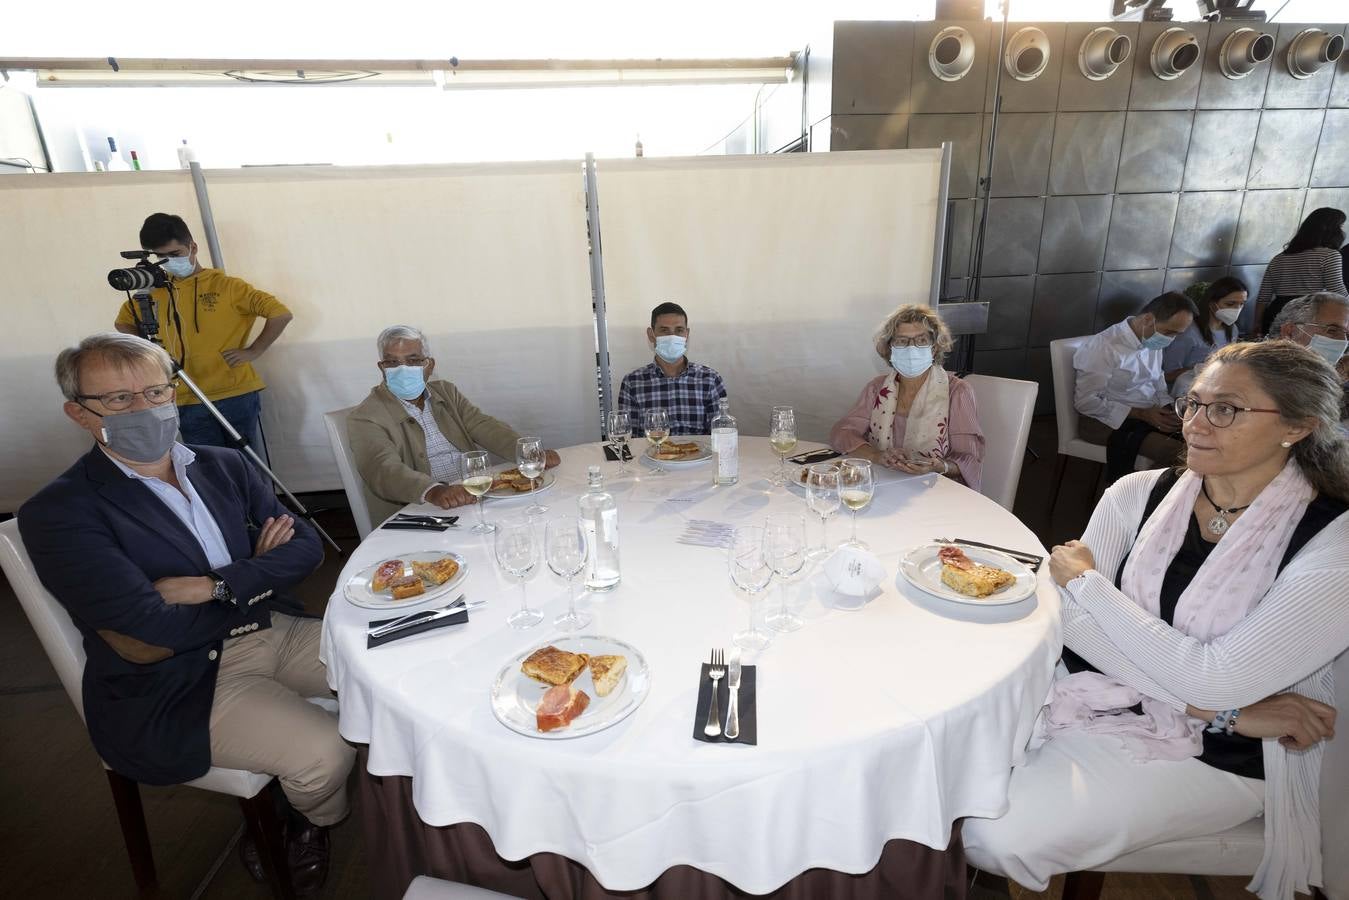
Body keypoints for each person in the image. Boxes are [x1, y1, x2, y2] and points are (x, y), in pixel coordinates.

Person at [965, 340, 1349, 900]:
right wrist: (1229, 711)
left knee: (992, 836)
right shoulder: (1138, 493)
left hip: (1227, 756)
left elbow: (1212, 677)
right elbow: (1071, 624)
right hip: (1129, 700)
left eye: (1227, 409)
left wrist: (1091, 585)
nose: (1195, 423)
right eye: (1192, 403)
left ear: (1296, 426)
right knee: (940, 768)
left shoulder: (1331, 542)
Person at [17, 333, 351, 895]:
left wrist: (215, 586)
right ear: (79, 413)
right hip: (176, 681)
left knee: (387, 676)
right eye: (119, 400)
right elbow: (151, 635)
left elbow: (306, 548)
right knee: (326, 753)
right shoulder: (60, 511)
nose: (146, 409)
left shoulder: (222, 465)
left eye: (155, 391)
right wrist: (255, 576)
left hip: (269, 630)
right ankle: (309, 820)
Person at [114, 213, 293, 454]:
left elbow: (279, 313)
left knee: (249, 464)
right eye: (161, 257)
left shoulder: (229, 286)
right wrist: (151, 353)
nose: (168, 262)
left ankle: (257, 494)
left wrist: (254, 350)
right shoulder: (152, 292)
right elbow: (123, 323)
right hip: (184, 396)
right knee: (209, 467)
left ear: (192, 247)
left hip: (234, 393)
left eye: (175, 254)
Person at [348, 324, 560, 526]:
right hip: (422, 508)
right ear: (382, 368)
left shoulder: (446, 393)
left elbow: (483, 425)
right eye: (392, 363)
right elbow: (382, 468)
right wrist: (433, 490)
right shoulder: (366, 416)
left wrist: (529, 455)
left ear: (429, 365)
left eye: (412, 361)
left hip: (474, 494)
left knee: (545, 514)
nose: (402, 369)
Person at [829, 304, 984, 490]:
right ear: (890, 349)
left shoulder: (957, 391)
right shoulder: (877, 388)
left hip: (936, 490)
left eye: (921, 340)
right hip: (883, 486)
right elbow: (842, 433)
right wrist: (877, 456)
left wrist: (938, 465)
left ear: (934, 348)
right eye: (902, 341)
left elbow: (969, 459)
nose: (912, 349)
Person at [1073, 291, 1197, 483]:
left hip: (1146, 415)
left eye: (1177, 334)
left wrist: (1168, 409)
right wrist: (1141, 414)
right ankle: (1136, 502)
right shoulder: (1103, 347)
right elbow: (1085, 403)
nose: (1171, 339)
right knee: (1179, 454)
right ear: (1148, 319)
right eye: (1169, 332)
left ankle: (1166, 500)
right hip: (1101, 422)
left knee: (1203, 441)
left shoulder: (1152, 341)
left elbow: (1158, 384)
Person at [616, 302, 728, 435]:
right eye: (664, 330)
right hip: (652, 454)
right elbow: (629, 440)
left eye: (679, 330)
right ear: (651, 335)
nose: (672, 336)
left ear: (687, 334)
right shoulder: (633, 382)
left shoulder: (710, 379)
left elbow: (721, 434)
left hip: (699, 454)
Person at [1254, 207, 1347, 337]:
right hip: (1309, 314)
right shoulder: (1329, 255)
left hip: (1276, 313)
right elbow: (1337, 291)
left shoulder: (1279, 258)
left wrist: (1257, 324)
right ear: (1332, 231)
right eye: (1341, 227)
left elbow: (1263, 297)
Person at [1162, 276, 1248, 395]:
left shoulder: (1232, 329)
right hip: (1185, 391)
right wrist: (1197, 369)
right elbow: (1167, 376)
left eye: (1241, 304)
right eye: (1230, 304)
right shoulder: (1188, 332)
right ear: (1212, 304)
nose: (1237, 309)